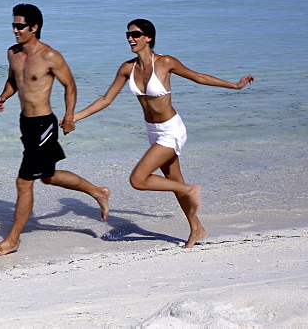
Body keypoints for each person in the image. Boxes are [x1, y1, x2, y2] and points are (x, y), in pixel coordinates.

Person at [72, 19, 254, 248]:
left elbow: (198, 77)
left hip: (171, 130)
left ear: (148, 37)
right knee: (174, 182)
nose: (130, 38)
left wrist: (235, 86)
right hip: (153, 132)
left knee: (138, 180)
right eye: (128, 34)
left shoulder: (166, 63)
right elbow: (106, 99)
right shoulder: (128, 68)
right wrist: (75, 116)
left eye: (136, 34)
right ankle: (196, 228)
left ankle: (190, 189)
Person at [0, 4, 110, 256]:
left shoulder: (50, 56)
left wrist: (70, 117)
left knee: (24, 182)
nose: (15, 31)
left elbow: (70, 86)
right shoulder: (13, 53)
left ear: (35, 27)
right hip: (26, 123)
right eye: (13, 25)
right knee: (48, 176)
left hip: (44, 124)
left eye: (20, 26)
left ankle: (12, 240)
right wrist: (3, 96)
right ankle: (98, 191)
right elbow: (14, 80)